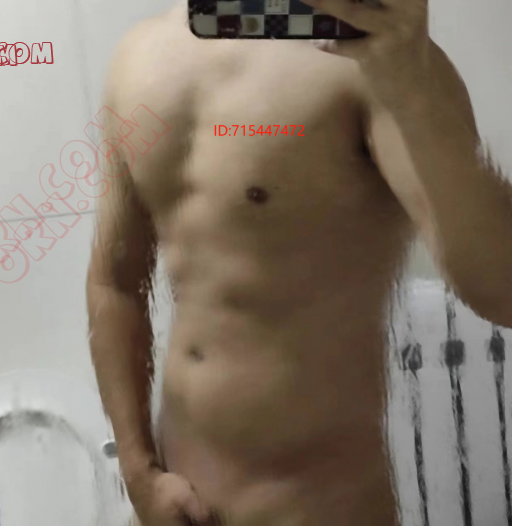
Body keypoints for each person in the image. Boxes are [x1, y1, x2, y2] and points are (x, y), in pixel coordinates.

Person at [86, 0, 512, 524]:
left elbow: (504, 292)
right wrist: (139, 472)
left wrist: (412, 82)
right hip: (172, 506)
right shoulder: (138, 59)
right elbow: (114, 284)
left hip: (316, 508)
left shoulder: (369, 61)